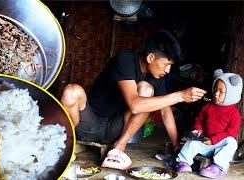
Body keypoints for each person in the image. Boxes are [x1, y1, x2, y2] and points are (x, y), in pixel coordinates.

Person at [61, 30, 207, 170]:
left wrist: (176, 145)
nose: (168, 70)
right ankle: (66, 144)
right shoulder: (125, 60)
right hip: (90, 124)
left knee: (146, 90)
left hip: (116, 130)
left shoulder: (157, 77)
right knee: (71, 91)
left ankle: (119, 148)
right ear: (150, 58)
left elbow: (165, 110)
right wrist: (180, 96)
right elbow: (135, 105)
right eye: (166, 64)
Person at [176, 69, 243, 178]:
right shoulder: (207, 107)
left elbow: (231, 132)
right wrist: (197, 131)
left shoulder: (234, 114)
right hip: (204, 143)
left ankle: (217, 167)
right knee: (192, 141)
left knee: (232, 143)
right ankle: (183, 162)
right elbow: (199, 120)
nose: (216, 94)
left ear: (232, 93)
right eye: (215, 89)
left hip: (219, 146)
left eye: (221, 91)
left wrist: (213, 140)